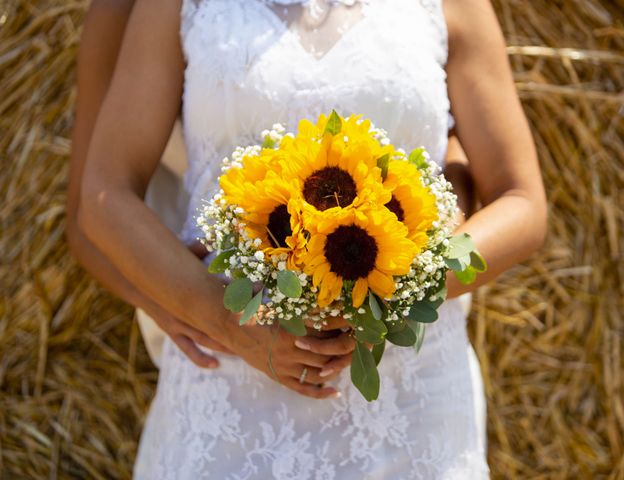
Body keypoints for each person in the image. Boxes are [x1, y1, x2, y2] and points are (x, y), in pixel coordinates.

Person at [75, 0, 546, 477]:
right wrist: (223, 320)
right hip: (230, 398)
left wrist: (395, 289)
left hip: (409, 403)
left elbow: (522, 200)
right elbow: (104, 193)